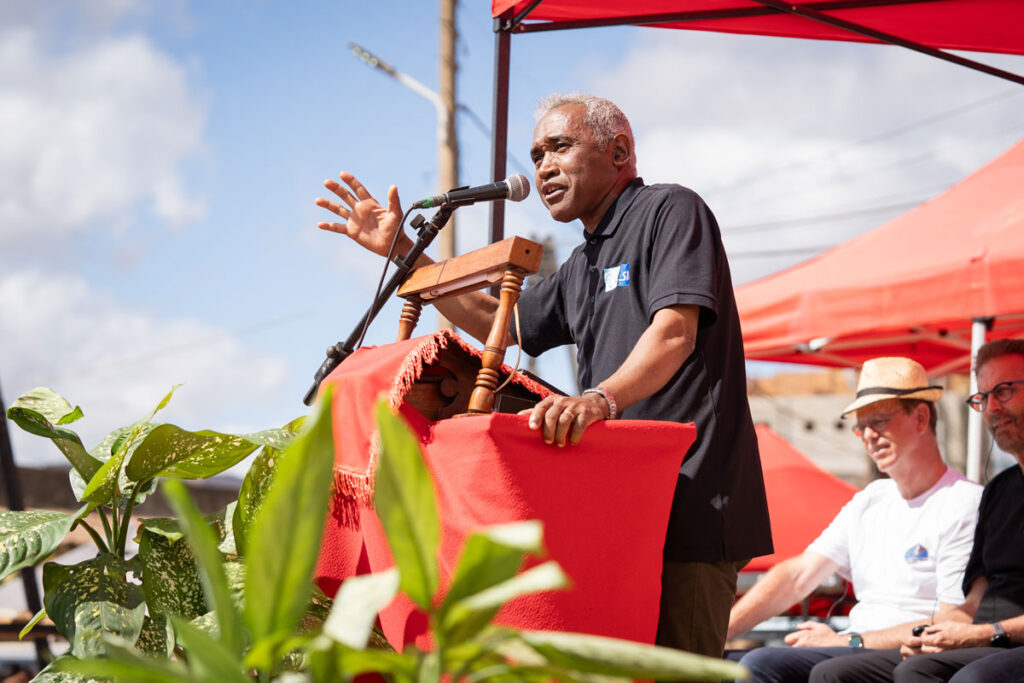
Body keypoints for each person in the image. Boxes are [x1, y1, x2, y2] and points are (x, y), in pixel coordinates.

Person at [314, 92, 772, 657]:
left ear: (619, 150)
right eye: (536, 155)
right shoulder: (583, 261)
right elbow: (497, 326)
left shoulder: (670, 210)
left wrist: (598, 400)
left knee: (680, 670)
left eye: (559, 147)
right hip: (622, 509)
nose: (543, 167)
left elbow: (675, 331)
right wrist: (404, 250)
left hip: (693, 502)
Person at [728, 357, 982, 683]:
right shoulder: (871, 498)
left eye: (879, 421)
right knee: (727, 662)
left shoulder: (965, 502)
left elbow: (954, 621)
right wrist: (722, 632)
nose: (868, 436)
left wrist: (849, 640)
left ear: (921, 418)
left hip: (911, 656)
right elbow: (797, 575)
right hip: (855, 646)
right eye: (861, 427)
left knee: (764, 663)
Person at [808, 339, 1024, 682]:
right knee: (824, 672)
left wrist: (981, 633)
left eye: (1005, 390)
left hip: (999, 642)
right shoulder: (999, 492)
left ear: (921, 418)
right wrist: (935, 636)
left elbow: (974, 622)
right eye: (983, 398)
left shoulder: (964, 499)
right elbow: (973, 606)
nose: (992, 407)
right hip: (982, 641)